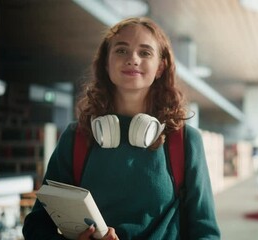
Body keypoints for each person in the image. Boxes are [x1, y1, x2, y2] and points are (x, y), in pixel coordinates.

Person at [22, 17, 220, 240]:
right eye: (121, 50)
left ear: (160, 67)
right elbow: (36, 225)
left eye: (145, 53)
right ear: (106, 63)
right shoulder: (77, 138)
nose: (133, 59)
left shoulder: (184, 141)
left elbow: (206, 233)